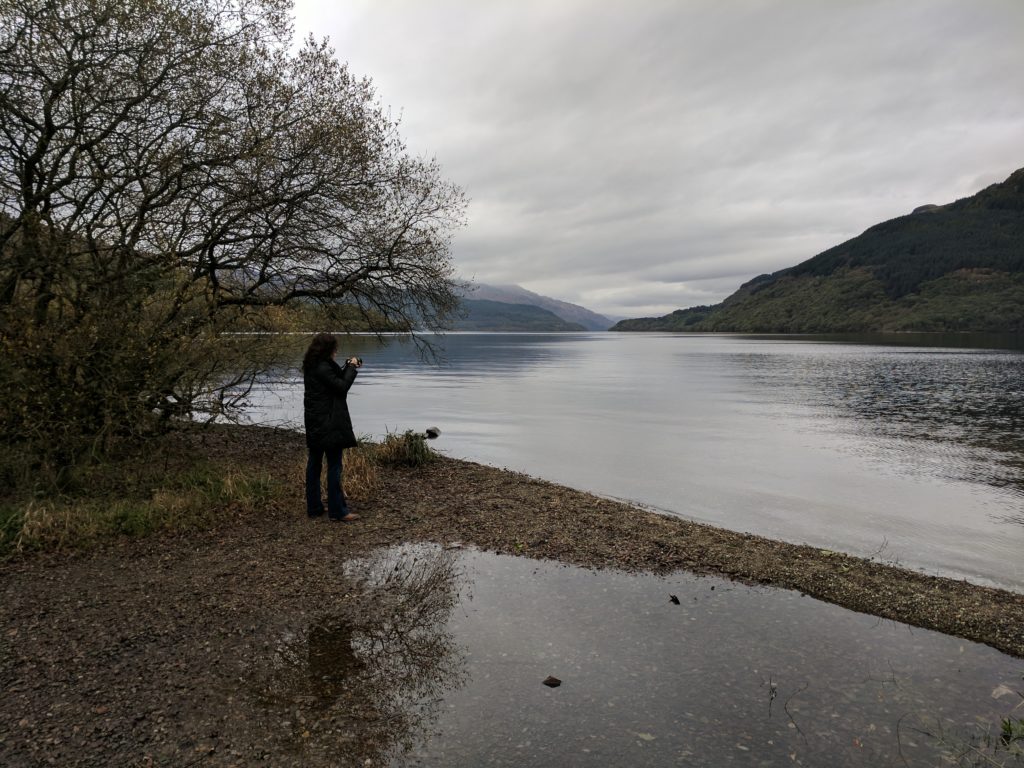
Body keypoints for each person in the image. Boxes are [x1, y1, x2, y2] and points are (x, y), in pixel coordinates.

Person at [302, 333, 363, 521]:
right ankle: (338, 511)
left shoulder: (313, 365)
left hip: (315, 422)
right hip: (329, 423)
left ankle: (314, 508)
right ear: (329, 349)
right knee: (334, 465)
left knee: (314, 465)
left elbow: (332, 382)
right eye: (334, 348)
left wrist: (346, 367)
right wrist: (352, 367)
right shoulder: (322, 366)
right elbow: (341, 387)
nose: (336, 351)